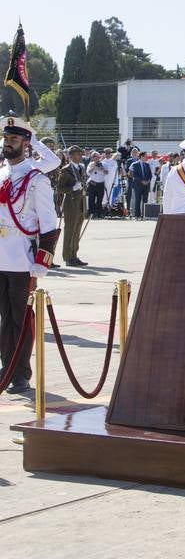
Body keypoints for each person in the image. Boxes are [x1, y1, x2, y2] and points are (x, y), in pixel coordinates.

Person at [0, 115, 59, 393]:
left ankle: (20, 373)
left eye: (14, 139)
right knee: (4, 316)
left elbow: (49, 224)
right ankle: (7, 365)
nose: (8, 143)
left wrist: (42, 261)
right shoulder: (2, 174)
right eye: (6, 138)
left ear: (26, 143)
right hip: (1, 257)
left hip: (23, 259)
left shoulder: (37, 180)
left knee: (20, 319)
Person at [57, 146, 88, 267]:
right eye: (76, 154)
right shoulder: (66, 169)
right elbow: (60, 188)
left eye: (80, 154)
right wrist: (72, 188)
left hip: (80, 203)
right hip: (70, 202)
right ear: (70, 156)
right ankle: (67, 257)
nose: (79, 156)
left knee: (77, 230)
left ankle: (74, 255)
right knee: (69, 231)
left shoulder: (81, 168)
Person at [129, 151, 152, 219]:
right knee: (137, 200)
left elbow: (150, 174)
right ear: (141, 156)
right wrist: (142, 181)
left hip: (146, 185)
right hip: (138, 185)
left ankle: (144, 215)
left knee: (145, 200)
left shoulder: (147, 165)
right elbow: (135, 175)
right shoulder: (135, 164)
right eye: (145, 156)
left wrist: (148, 181)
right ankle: (137, 215)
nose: (146, 157)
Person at [86, 151, 107, 218]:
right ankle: (91, 213)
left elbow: (106, 172)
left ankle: (99, 213)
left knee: (99, 200)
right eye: (94, 157)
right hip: (92, 183)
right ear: (92, 158)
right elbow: (88, 173)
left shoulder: (103, 164)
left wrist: (102, 169)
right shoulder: (91, 164)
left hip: (100, 184)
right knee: (91, 199)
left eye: (97, 156)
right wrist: (94, 167)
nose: (96, 158)